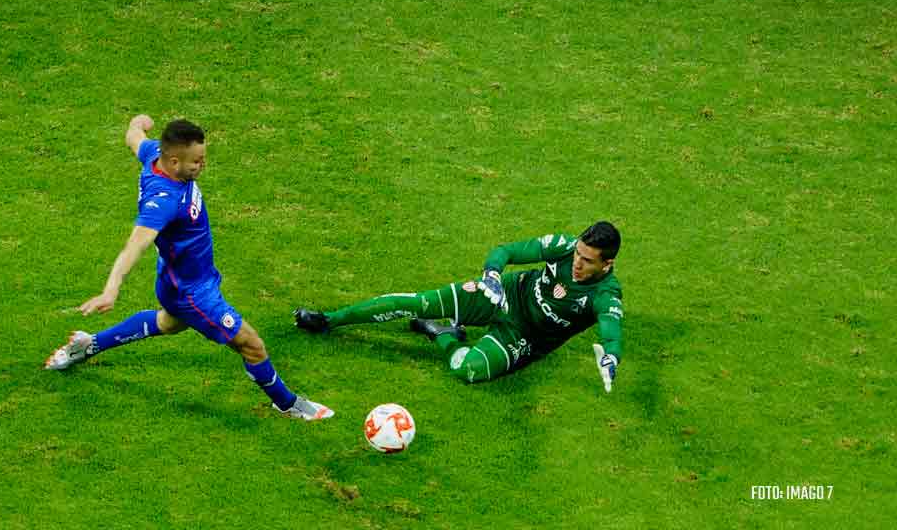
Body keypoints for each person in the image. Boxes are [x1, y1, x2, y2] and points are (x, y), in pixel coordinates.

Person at [45, 115, 333, 421]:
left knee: (170, 323)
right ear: (172, 161)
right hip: (192, 292)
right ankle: (288, 404)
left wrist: (138, 123)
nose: (201, 166)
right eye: (196, 161)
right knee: (252, 345)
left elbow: (134, 138)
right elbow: (136, 245)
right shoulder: (164, 200)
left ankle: (88, 345)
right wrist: (110, 289)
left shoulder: (155, 154)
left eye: (203, 158)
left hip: (179, 277)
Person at [295, 222, 624, 390]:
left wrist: (611, 355)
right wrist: (492, 274)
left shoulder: (605, 294)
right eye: (578, 254)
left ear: (607, 264)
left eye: (587, 260)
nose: (577, 263)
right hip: (505, 293)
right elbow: (506, 251)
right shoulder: (563, 246)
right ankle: (328, 320)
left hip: (524, 337)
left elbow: (612, 330)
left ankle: (441, 334)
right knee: (417, 302)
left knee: (470, 370)